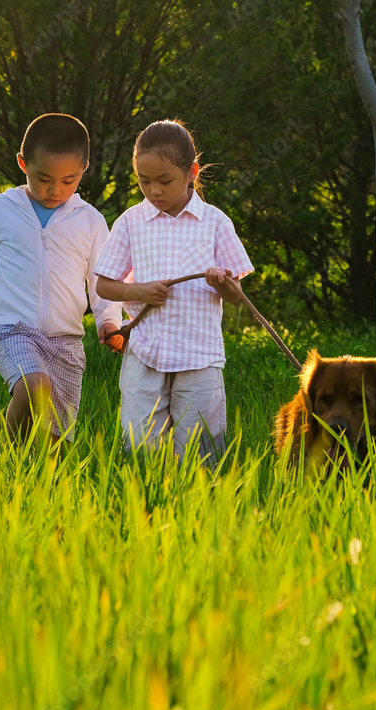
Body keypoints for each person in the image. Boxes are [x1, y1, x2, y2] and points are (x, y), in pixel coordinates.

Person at [0, 113, 124, 444]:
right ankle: (6, 457)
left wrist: (109, 321)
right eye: (43, 178)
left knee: (57, 442)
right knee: (34, 386)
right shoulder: (0, 210)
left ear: (83, 169)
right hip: (12, 329)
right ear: (23, 164)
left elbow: (103, 280)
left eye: (69, 180)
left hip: (66, 339)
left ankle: (31, 481)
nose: (55, 190)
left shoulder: (90, 221)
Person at [94, 119, 253, 464]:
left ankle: (199, 505)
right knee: (141, 446)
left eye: (164, 181)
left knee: (200, 450)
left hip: (199, 355)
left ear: (191, 172)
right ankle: (147, 501)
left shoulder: (215, 223)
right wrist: (140, 291)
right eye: (144, 181)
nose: (154, 191)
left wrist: (221, 282)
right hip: (145, 353)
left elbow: (236, 294)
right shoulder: (130, 222)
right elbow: (104, 284)